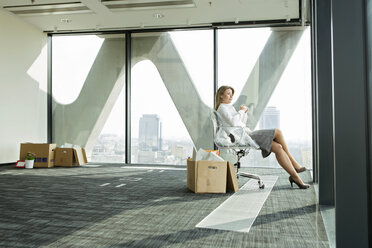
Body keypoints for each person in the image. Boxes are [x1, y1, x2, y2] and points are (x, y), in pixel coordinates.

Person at [215, 85, 310, 189]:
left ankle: (295, 177)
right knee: (278, 132)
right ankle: (295, 165)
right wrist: (241, 111)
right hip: (242, 137)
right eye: (228, 93)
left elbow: (241, 123)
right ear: (221, 95)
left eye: (231, 94)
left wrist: (244, 113)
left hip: (243, 133)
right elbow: (234, 123)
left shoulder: (229, 107)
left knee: (278, 148)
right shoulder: (222, 108)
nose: (231, 96)